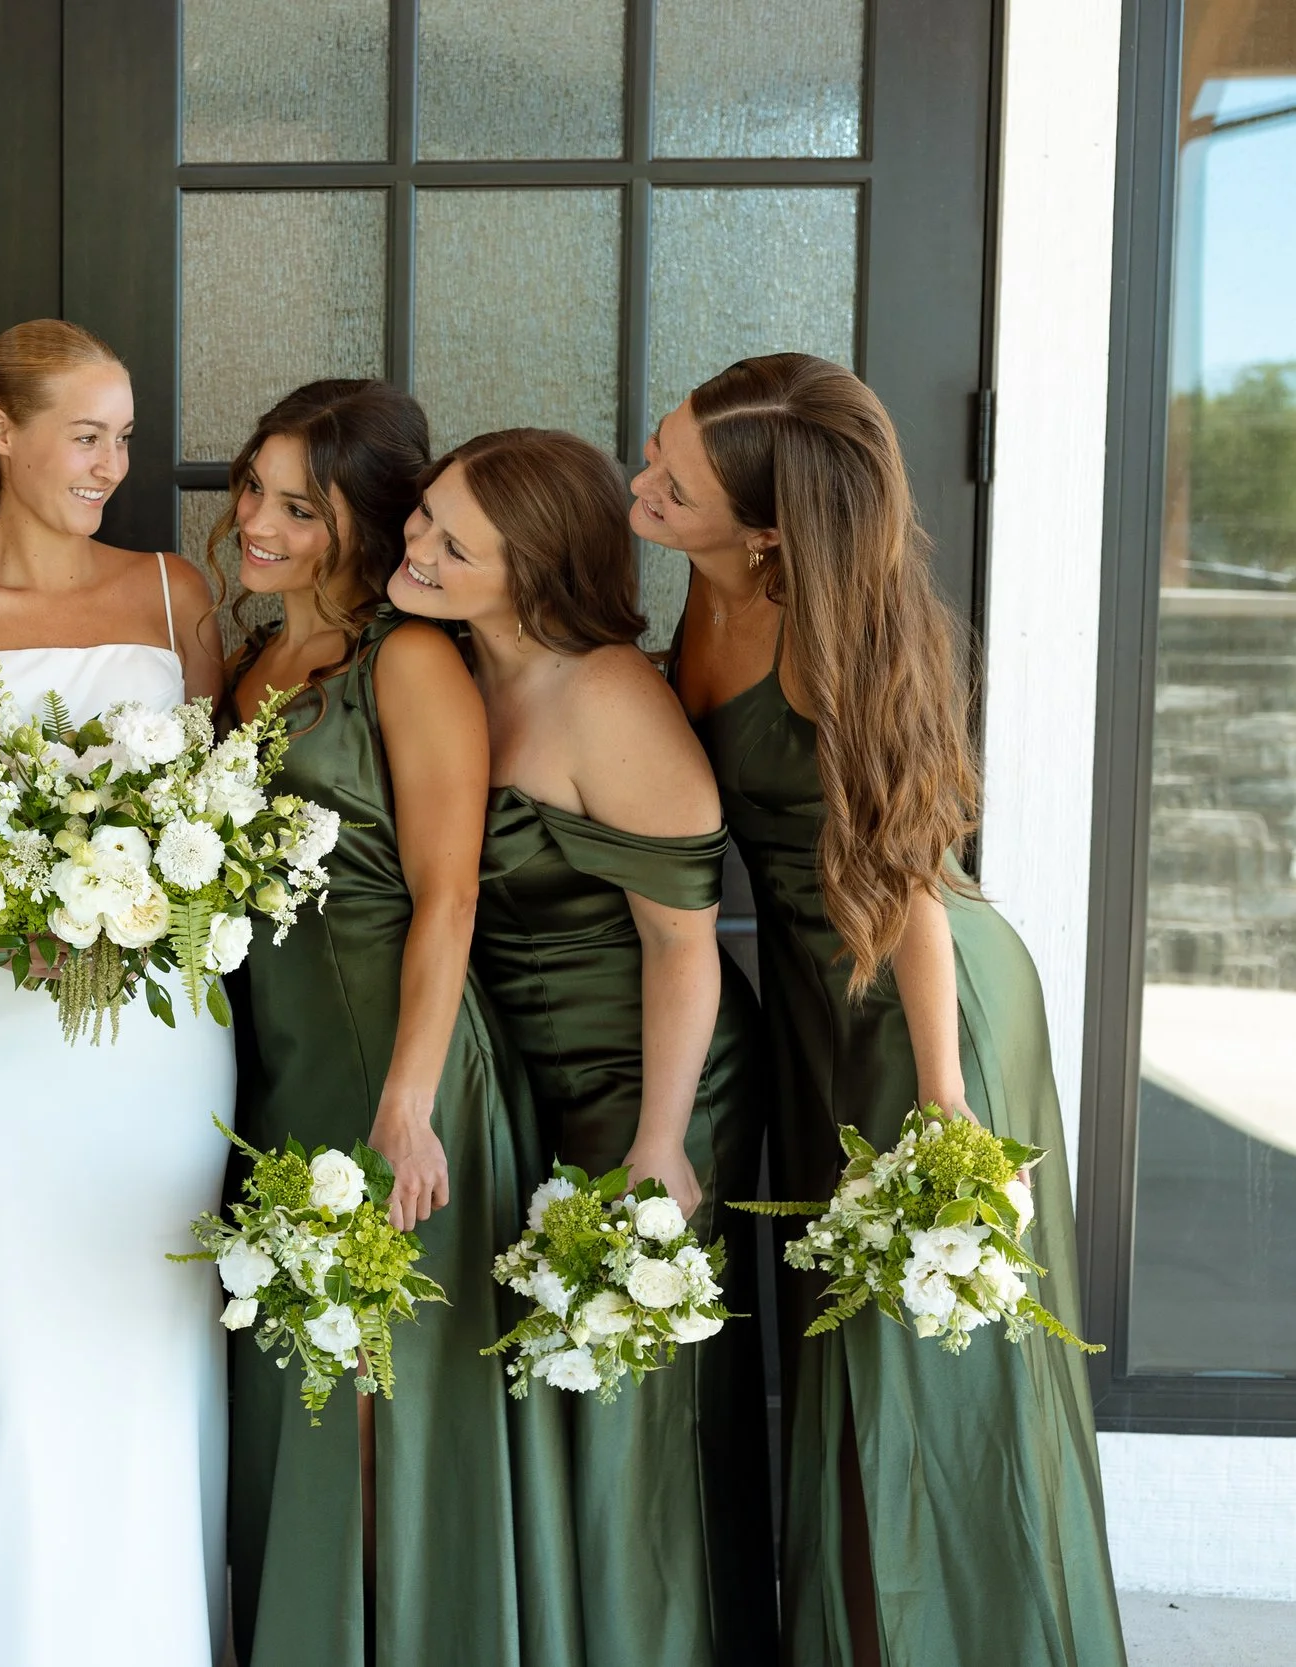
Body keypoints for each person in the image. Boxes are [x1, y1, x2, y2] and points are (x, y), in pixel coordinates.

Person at [636, 352, 1125, 1666]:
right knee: (844, 1344)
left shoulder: (828, 643)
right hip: (817, 998)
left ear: (767, 530)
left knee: (921, 1353)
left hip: (919, 1000)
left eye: (675, 480)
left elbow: (906, 884)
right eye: (659, 448)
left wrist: (946, 1103)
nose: (644, 483)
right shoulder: (705, 586)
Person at [0, 318, 234, 1665]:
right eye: (86, 436)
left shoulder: (173, 593)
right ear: (3, 433)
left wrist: (128, 898)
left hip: (155, 1032)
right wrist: (17, 903)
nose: (111, 465)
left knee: (145, 1350)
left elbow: (218, 810)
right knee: (7, 1358)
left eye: (123, 438)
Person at [397, 425, 777, 1665]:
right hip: (540, 1077)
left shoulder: (606, 697)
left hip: (654, 1079)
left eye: (456, 543)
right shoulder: (456, 664)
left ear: (535, 571)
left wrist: (660, 1142)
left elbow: (681, 946)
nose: (419, 546)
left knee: (636, 1391)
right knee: (557, 1379)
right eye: (423, 515)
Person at [221, 383, 576, 1667]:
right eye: (253, 489)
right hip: (283, 1059)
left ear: (361, 526)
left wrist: (409, 1099)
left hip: (391, 1057)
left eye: (297, 508)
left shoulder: (406, 662)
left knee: (378, 1387)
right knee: (300, 1376)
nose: (256, 522)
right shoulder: (251, 661)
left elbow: (450, 893)